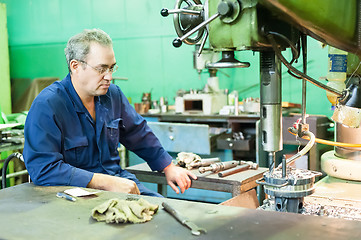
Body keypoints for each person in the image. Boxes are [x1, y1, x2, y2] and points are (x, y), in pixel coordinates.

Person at [23, 28, 196, 197]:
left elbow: (138, 133)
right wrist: (105, 182)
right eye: (101, 69)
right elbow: (43, 169)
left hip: (117, 182)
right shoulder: (48, 105)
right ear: (75, 66)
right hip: (72, 195)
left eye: (112, 68)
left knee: (163, 212)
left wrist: (168, 166)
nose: (109, 76)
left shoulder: (112, 95)